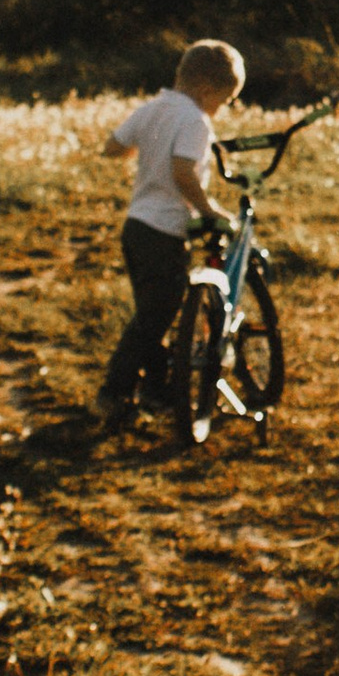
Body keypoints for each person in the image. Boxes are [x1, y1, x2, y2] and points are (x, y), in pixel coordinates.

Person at [97, 40, 245, 428]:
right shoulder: (196, 121)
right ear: (206, 91)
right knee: (154, 317)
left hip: (136, 227)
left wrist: (146, 150)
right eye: (225, 100)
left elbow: (113, 147)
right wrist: (207, 208)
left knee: (154, 313)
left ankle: (156, 390)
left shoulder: (152, 109)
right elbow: (183, 172)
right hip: (164, 230)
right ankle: (114, 391)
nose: (221, 109)